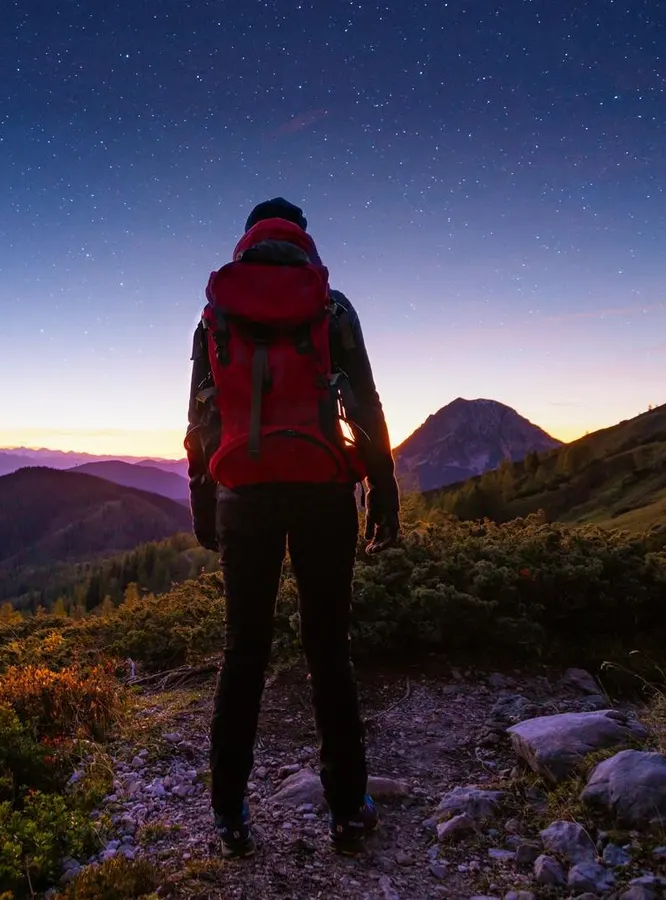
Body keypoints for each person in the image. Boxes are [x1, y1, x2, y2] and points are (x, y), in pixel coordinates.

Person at [184, 197, 400, 858]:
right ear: (302, 239)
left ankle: (229, 815)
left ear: (247, 238)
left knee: (243, 651)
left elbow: (201, 417)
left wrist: (204, 502)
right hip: (323, 489)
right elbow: (362, 399)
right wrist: (382, 489)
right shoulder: (331, 307)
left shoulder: (217, 310)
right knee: (328, 649)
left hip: (242, 493)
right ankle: (346, 810)